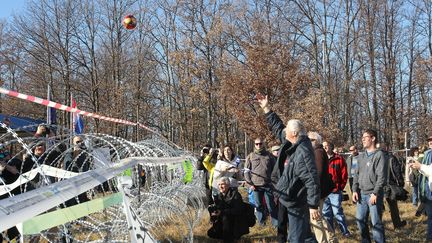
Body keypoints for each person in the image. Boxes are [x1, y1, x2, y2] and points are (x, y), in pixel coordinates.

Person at [257, 93, 320, 243]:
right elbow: (277, 127)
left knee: (295, 238)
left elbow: (311, 180)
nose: (283, 133)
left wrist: (313, 205)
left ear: (293, 133)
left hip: (297, 201)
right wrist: (267, 109)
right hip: (287, 198)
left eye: (287, 131)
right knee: (305, 236)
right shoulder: (291, 143)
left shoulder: (303, 151)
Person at [352, 129, 388, 243]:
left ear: (373, 138)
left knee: (376, 222)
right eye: (362, 137)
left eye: (365, 137)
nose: (363, 139)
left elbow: (381, 177)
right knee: (360, 220)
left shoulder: (379, 155)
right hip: (362, 194)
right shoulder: (361, 157)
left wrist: (375, 193)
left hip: (373, 194)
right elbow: (356, 175)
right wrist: (354, 190)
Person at [308, 133, 337, 243]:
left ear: (317, 141)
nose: (308, 141)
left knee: (315, 218)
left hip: (317, 190)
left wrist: (313, 190)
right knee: (319, 216)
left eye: (310, 139)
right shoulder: (316, 151)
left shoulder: (318, 152)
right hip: (318, 190)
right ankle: (331, 238)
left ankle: (323, 241)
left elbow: (318, 174)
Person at [244, 138, 278, 226]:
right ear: (254, 145)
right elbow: (246, 171)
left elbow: (275, 170)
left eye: (260, 143)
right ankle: (261, 224)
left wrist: (274, 183)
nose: (259, 145)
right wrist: (250, 184)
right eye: (257, 144)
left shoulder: (269, 156)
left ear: (263, 144)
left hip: (268, 185)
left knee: (271, 205)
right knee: (258, 206)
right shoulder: (250, 156)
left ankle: (275, 224)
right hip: (255, 186)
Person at [207, 177, 250, 242]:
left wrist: (222, 212)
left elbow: (238, 210)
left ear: (228, 185)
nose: (220, 186)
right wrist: (213, 211)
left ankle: (229, 239)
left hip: (236, 220)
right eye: (219, 184)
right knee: (211, 233)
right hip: (225, 220)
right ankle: (228, 237)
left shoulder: (235, 194)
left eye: (222, 184)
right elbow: (219, 209)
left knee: (225, 218)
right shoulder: (219, 196)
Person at [322, 141, 350, 237]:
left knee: (337, 212)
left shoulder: (339, 159)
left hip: (335, 191)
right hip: (324, 192)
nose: (325, 148)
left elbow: (344, 175)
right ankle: (331, 233)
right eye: (323, 146)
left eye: (326, 146)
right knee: (326, 214)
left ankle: (345, 232)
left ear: (331, 147)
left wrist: (340, 187)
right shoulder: (321, 159)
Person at [410, 133, 432, 240]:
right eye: (429, 140)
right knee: (430, 217)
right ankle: (429, 236)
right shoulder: (427, 153)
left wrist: (420, 166)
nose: (430, 142)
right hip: (427, 190)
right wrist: (417, 168)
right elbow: (424, 173)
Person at [379, 143, 406, 229]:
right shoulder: (391, 158)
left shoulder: (375, 158)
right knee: (393, 206)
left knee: (378, 207)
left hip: (378, 186)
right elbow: (397, 172)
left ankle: (375, 225)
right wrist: (401, 184)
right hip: (390, 186)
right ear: (387, 148)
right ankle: (397, 224)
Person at [63, 136, 91, 206]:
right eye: (77, 142)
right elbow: (69, 168)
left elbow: (87, 168)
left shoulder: (84, 154)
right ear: (73, 143)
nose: (80, 144)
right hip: (71, 186)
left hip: (82, 185)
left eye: (81, 142)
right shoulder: (69, 154)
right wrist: (76, 152)